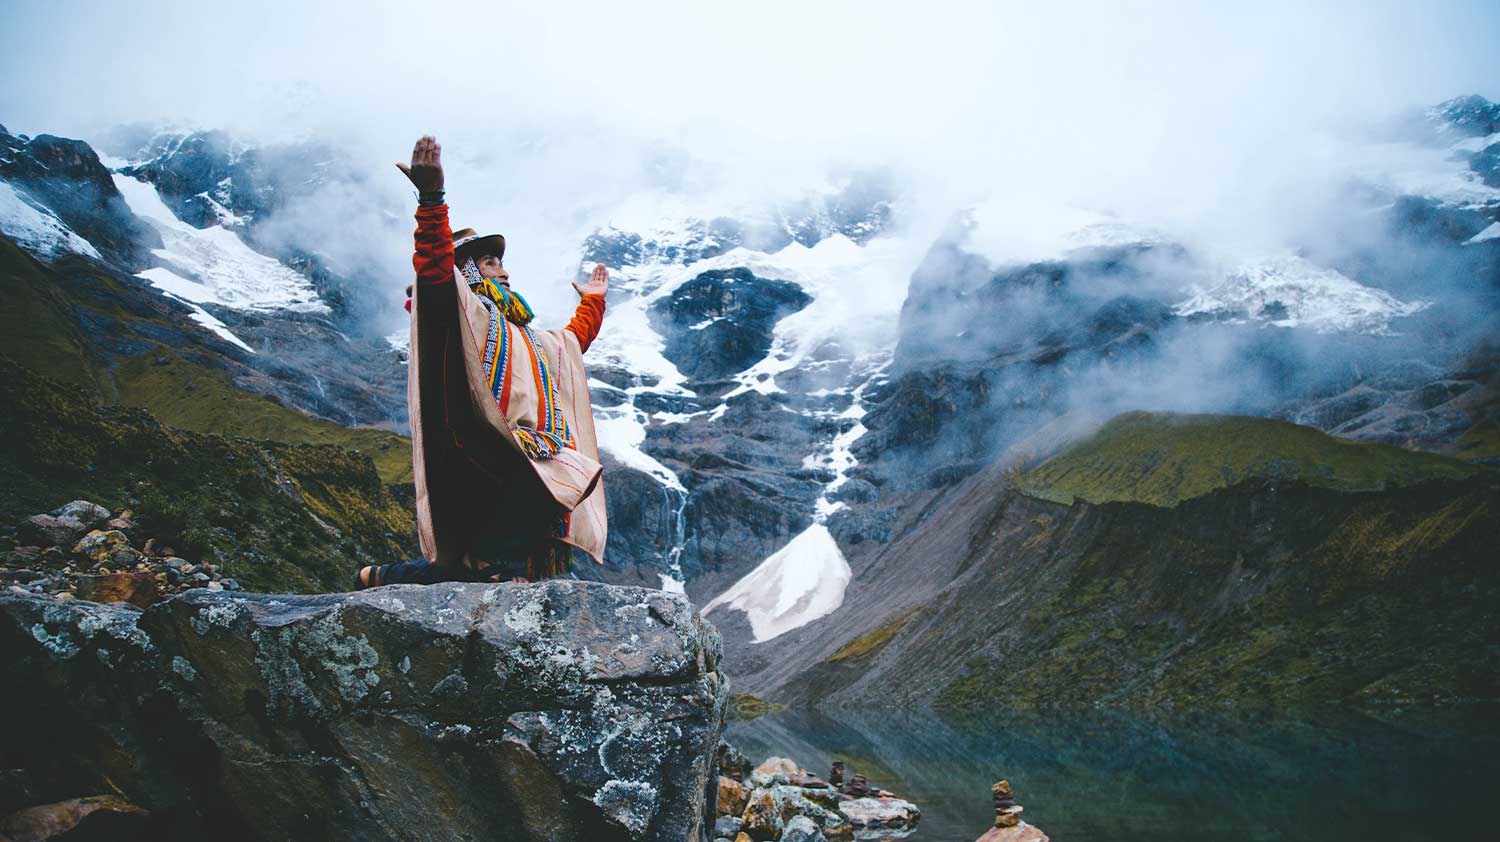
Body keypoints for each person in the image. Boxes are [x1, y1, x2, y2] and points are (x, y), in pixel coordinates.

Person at [357, 135, 609, 588]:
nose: (506, 271)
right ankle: (488, 564)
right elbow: (434, 272)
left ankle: (407, 574)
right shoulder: (460, 315)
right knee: (558, 473)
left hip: (522, 454)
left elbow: (570, 344)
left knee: (553, 481)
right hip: (480, 446)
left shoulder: (525, 337)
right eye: (491, 262)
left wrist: (593, 302)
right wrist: (432, 200)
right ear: (469, 271)